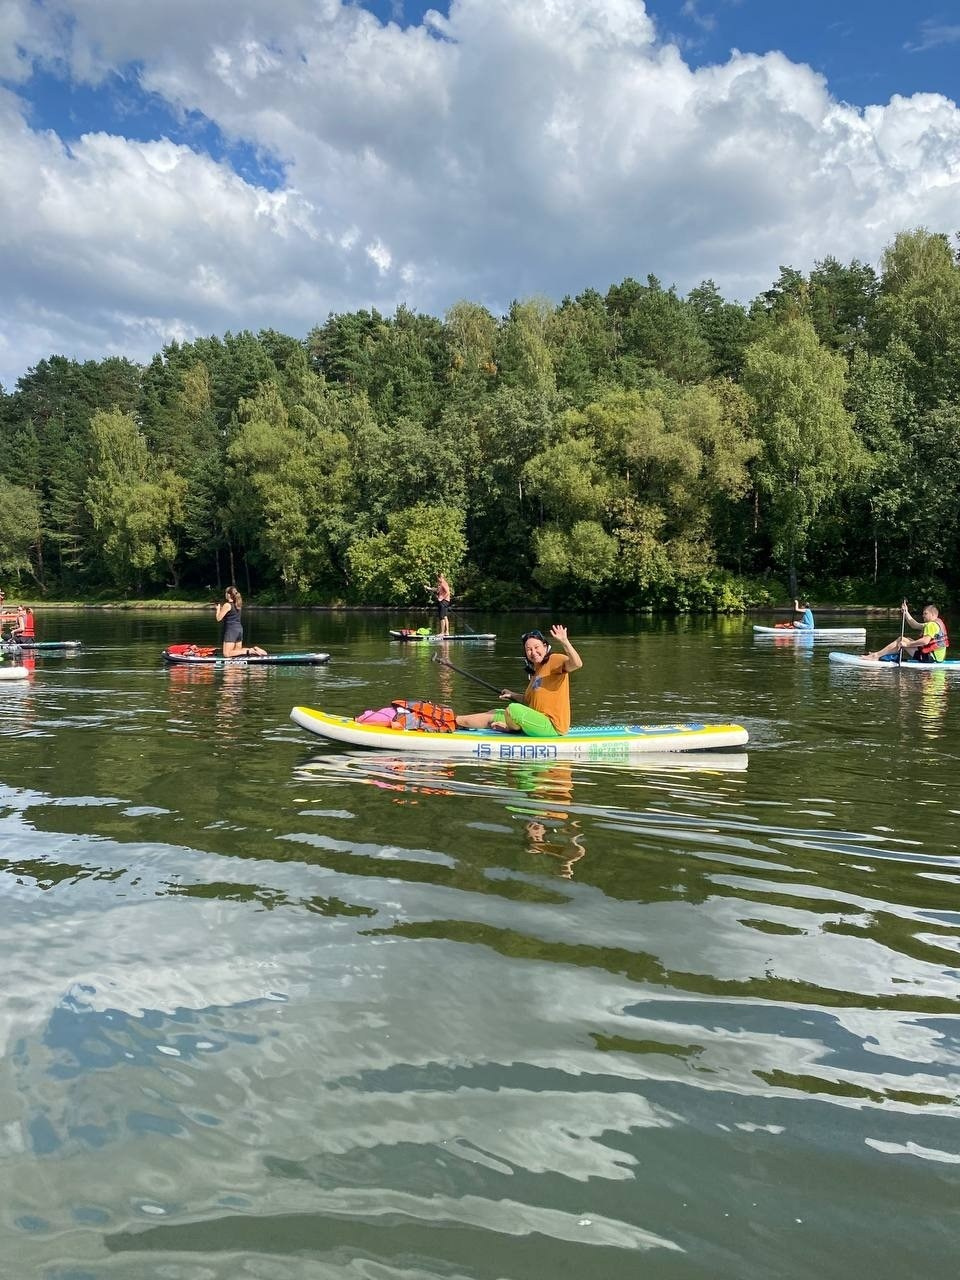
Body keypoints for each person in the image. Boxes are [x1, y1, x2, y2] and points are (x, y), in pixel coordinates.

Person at [455, 624, 583, 736]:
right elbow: (528, 701)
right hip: (535, 721)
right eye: (529, 649)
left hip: (552, 726)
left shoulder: (554, 660)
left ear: (545, 646)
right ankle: (454, 721)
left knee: (512, 710)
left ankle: (511, 729)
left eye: (536, 647)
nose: (533, 652)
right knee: (496, 713)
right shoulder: (535, 673)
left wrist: (565, 641)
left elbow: (577, 664)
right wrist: (512, 695)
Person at [865, 601, 948, 663]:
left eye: (925, 613)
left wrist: (907, 644)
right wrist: (906, 612)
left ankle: (876, 655)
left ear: (933, 615)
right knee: (906, 639)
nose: (923, 616)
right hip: (935, 658)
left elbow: (925, 641)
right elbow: (914, 625)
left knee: (902, 640)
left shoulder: (931, 625)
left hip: (930, 659)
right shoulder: (936, 623)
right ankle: (878, 654)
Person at [214, 586, 267, 658]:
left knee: (227, 654)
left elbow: (218, 618)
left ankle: (251, 651)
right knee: (237, 651)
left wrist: (218, 609)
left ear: (229, 595)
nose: (225, 594)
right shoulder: (238, 604)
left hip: (231, 631)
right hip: (239, 630)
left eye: (226, 593)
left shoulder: (227, 605)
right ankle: (254, 649)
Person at [431, 572, 452, 637]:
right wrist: (428, 588)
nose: (437, 579)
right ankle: (447, 632)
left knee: (441, 617)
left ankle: (442, 633)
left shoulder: (443, 583)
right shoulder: (440, 584)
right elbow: (437, 590)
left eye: (438, 578)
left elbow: (448, 592)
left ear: (441, 577)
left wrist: (441, 598)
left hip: (443, 601)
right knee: (445, 616)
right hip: (445, 601)